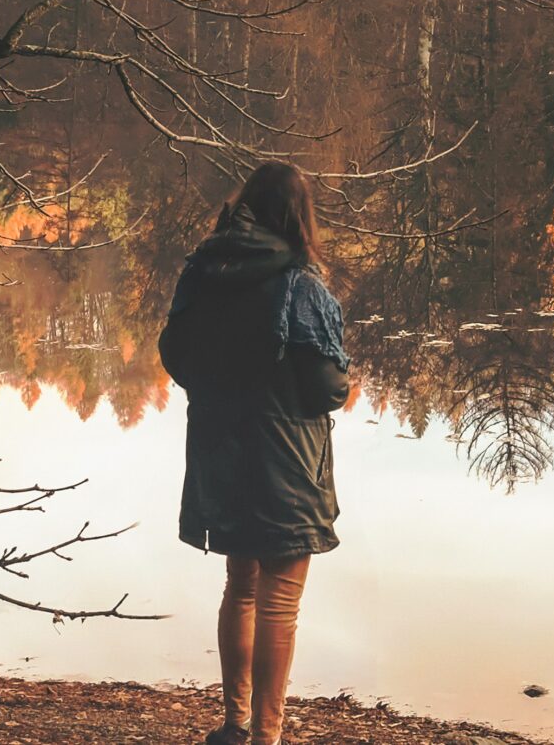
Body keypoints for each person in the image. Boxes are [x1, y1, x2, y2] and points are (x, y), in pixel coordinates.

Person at [159, 163, 353, 745]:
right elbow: (327, 389)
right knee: (279, 602)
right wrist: (346, 382)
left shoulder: (204, 271)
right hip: (288, 464)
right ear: (299, 217)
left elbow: (176, 357)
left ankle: (234, 725)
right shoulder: (301, 286)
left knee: (239, 587)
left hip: (221, 453)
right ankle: (267, 736)